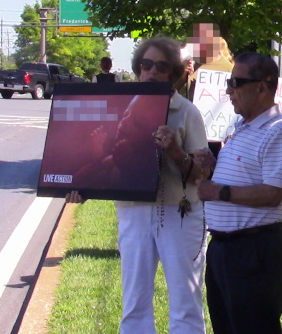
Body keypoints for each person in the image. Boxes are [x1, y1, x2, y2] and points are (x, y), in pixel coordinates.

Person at [67, 36, 209, 333]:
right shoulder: (124, 105)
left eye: (162, 66)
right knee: (134, 304)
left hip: (179, 214)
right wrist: (83, 187)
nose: (152, 71)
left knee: (185, 302)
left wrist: (176, 152)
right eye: (146, 65)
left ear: (173, 73)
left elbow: (202, 176)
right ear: (137, 68)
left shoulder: (186, 112)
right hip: (133, 211)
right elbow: (109, 163)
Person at [195, 52, 282, 334]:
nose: (228, 91)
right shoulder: (239, 127)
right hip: (223, 249)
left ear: (262, 87)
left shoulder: (279, 132)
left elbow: (272, 194)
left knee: (254, 326)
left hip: (252, 249)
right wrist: (213, 168)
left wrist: (218, 192)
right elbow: (243, 176)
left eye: (235, 83)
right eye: (228, 83)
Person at [177, 23, 235, 158]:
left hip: (215, 135)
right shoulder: (191, 65)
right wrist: (183, 74)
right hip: (190, 128)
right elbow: (176, 92)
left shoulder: (229, 68)